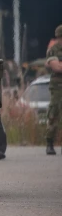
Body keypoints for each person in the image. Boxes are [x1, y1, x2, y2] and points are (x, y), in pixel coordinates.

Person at [45, 24, 62, 155]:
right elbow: (56, 67)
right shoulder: (54, 49)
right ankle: (50, 143)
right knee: (54, 113)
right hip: (58, 87)